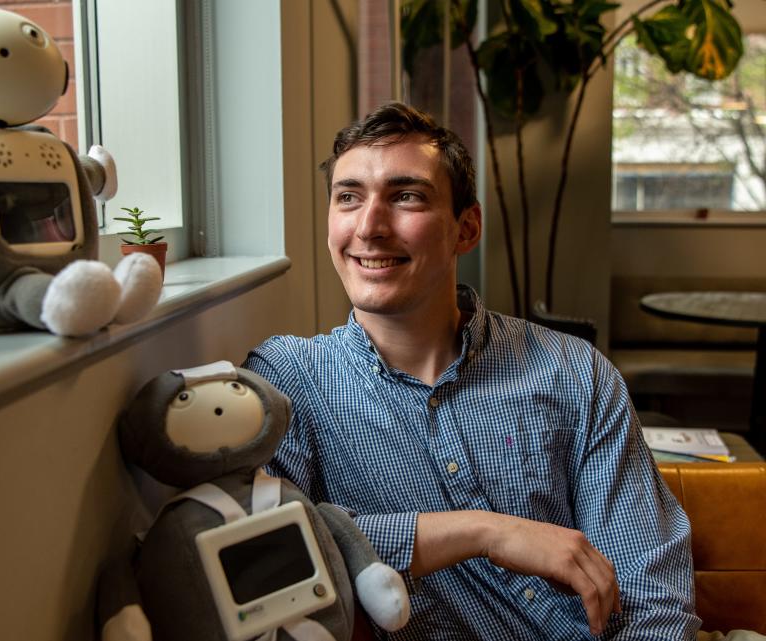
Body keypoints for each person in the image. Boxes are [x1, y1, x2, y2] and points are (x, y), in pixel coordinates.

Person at [244, 102, 697, 639]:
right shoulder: (287, 382)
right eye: (349, 198)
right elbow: (264, 557)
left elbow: (653, 603)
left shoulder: (574, 372)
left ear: (467, 228)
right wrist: (484, 533)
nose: (369, 227)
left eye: (406, 195)